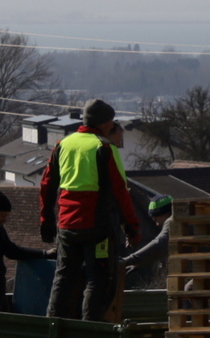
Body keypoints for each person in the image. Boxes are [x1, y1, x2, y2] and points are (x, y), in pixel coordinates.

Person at [39, 99, 141, 321]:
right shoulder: (104, 147)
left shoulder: (63, 144)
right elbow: (121, 192)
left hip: (66, 225)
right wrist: (131, 227)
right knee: (97, 280)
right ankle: (89, 330)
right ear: (104, 123)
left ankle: (51, 327)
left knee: (63, 278)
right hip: (97, 226)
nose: (112, 126)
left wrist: (46, 219)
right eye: (111, 122)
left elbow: (47, 185)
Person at [122, 195, 175, 289]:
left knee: (188, 290)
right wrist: (140, 263)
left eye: (156, 219)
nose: (157, 224)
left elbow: (159, 244)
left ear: (165, 213)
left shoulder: (173, 220)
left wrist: (128, 260)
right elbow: (161, 250)